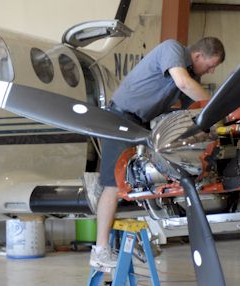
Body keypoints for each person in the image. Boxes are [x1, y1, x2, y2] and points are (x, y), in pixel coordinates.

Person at [88, 37, 225, 269]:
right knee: (113, 183)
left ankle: (132, 240)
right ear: (199, 56)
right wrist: (219, 106)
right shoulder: (172, 50)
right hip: (120, 119)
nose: (210, 71)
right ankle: (100, 251)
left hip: (139, 125)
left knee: (142, 181)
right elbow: (183, 84)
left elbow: (188, 111)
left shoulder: (192, 76)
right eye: (210, 65)